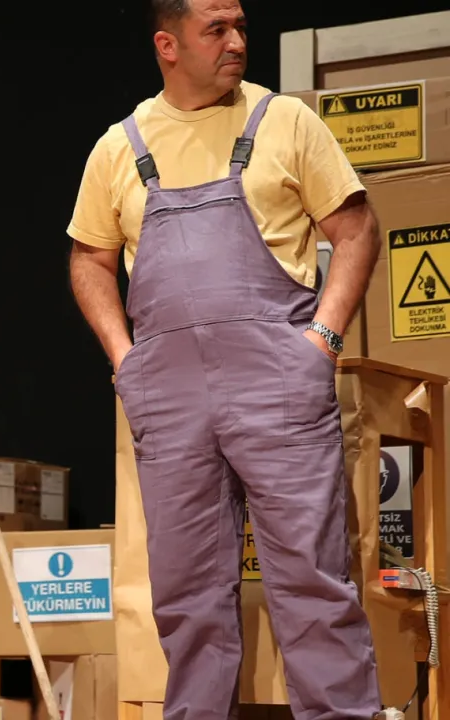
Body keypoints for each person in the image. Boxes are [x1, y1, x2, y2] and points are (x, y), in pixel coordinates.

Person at [67, 1, 388, 718]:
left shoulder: (283, 121)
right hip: (169, 397)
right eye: (216, 29)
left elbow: (357, 229)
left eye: (240, 26)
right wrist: (124, 358)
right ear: (168, 44)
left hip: (277, 382)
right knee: (187, 596)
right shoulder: (119, 147)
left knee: (312, 582)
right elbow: (89, 259)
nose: (237, 41)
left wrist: (323, 342)